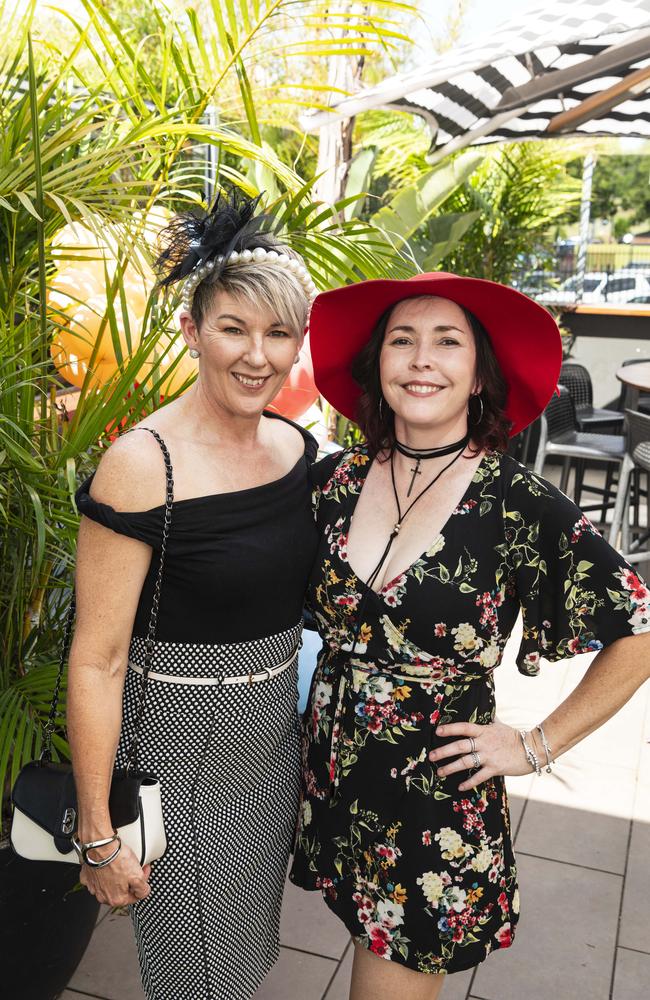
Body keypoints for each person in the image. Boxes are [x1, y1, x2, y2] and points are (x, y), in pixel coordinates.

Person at [290, 271, 650, 1000]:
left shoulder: (517, 503)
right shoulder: (335, 482)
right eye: (403, 340)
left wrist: (535, 744)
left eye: (447, 341)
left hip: (433, 801)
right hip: (330, 780)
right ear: (377, 364)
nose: (422, 359)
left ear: (481, 373)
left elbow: (637, 626)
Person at [67, 190, 319, 1000]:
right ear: (191, 331)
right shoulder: (145, 463)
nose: (256, 355)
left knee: (240, 958)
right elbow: (99, 659)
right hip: (183, 745)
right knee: (195, 975)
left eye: (278, 333)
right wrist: (99, 835)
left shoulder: (295, 448)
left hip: (272, 738)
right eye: (233, 328)